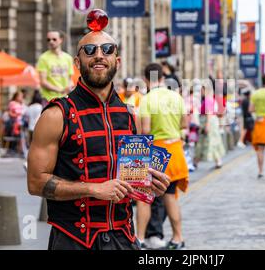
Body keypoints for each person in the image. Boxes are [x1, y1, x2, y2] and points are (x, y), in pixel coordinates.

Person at [27, 26, 170, 250]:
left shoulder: (130, 115)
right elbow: (35, 183)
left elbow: (133, 182)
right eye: (90, 50)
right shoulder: (56, 115)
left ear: (117, 60)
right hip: (72, 241)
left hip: (123, 239)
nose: (99, 55)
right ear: (77, 62)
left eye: (107, 49)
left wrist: (150, 185)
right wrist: (93, 189)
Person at [136, 63, 189, 250]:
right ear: (162, 78)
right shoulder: (176, 97)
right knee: (170, 197)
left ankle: (141, 239)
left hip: (156, 152)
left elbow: (146, 130)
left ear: (145, 79)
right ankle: (177, 238)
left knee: (144, 197)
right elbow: (184, 124)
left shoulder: (147, 100)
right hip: (175, 151)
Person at [194, 80, 226, 169]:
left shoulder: (208, 100)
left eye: (202, 90)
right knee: (212, 140)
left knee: (206, 141)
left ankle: (196, 160)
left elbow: (209, 113)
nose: (201, 92)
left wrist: (207, 125)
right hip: (213, 121)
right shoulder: (212, 99)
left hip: (208, 121)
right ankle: (216, 160)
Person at [36, 30, 74, 102]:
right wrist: (61, 90)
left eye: (54, 39)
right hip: (49, 99)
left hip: (65, 98)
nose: (51, 41)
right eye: (48, 40)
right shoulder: (43, 58)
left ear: (61, 40)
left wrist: (69, 87)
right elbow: (43, 82)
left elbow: (70, 79)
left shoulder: (68, 58)